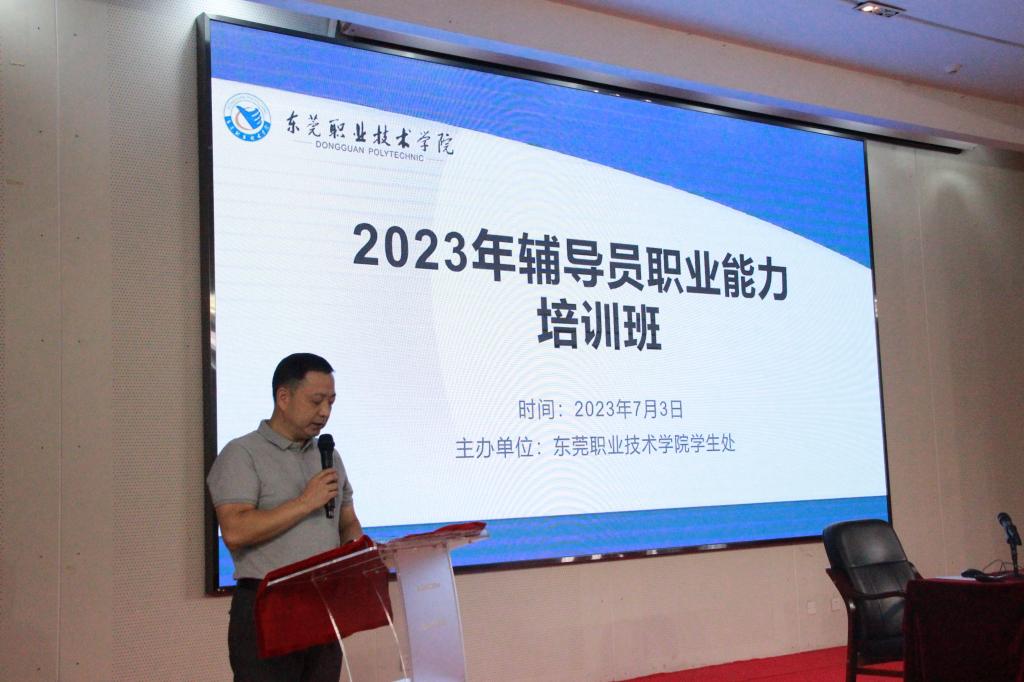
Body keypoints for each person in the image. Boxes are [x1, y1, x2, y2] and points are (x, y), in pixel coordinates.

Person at [207, 352, 363, 682]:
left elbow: (347, 521)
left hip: (323, 607)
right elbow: (234, 530)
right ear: (283, 397)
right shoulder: (242, 453)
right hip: (268, 608)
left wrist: (357, 554)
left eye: (331, 402)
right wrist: (305, 502)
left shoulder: (328, 455)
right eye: (316, 401)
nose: (325, 412)